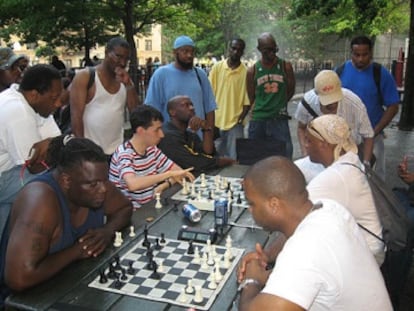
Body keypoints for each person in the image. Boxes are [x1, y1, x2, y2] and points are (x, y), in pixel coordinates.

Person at [237, 156, 392, 311]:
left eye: (252, 203)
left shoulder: (306, 248)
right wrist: (266, 274)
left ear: (274, 204)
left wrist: (251, 280)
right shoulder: (329, 208)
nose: (250, 210)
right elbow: (311, 276)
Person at [0, 135, 132, 307]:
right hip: (25, 303)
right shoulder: (40, 200)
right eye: (93, 184)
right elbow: (19, 278)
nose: (103, 189)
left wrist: (107, 231)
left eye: (105, 181)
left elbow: (124, 208)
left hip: (73, 288)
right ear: (66, 181)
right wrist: (78, 250)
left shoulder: (95, 183)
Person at [304, 114, 384, 264]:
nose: (305, 145)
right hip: (366, 246)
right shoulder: (350, 158)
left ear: (324, 144)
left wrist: (268, 254)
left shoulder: (336, 176)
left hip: (366, 256)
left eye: (309, 140)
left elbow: (296, 215)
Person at [0, 64, 63, 239]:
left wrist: (51, 143)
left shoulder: (35, 103)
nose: (58, 103)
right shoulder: (18, 112)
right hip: (5, 176)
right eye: (54, 98)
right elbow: (35, 166)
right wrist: (54, 147)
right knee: (56, 182)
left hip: (9, 171)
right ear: (35, 95)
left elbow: (59, 142)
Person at [337, 35, 400, 180]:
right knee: (346, 178)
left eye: (364, 55)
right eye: (356, 54)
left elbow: (393, 106)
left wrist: (374, 131)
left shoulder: (381, 73)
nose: (360, 59)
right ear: (351, 53)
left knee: (375, 179)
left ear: (371, 53)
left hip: (374, 137)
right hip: (345, 139)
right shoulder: (339, 72)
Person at [109, 105, 195, 210]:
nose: (162, 135)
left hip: (149, 208)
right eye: (157, 130)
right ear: (140, 130)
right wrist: (168, 175)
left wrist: (165, 184)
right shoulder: (124, 154)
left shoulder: (152, 150)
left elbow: (179, 172)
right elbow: (133, 184)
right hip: (129, 215)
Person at [70, 36, 139, 158]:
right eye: (118, 56)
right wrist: (83, 152)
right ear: (107, 52)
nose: (122, 63)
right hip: (90, 152)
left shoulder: (125, 81)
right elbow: (76, 118)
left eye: (126, 59)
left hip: (116, 153)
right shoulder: (85, 76)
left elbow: (136, 113)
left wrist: (128, 85)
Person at [145, 35, 216, 151]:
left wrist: (209, 135)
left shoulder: (200, 75)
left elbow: (210, 108)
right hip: (171, 142)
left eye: (192, 51)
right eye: (185, 51)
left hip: (199, 141)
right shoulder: (161, 75)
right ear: (175, 52)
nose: (189, 55)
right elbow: (151, 111)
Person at [296, 70, 374, 164]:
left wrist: (366, 163)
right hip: (320, 155)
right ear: (317, 94)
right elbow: (301, 127)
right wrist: (306, 153)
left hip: (349, 153)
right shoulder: (307, 104)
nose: (332, 104)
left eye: (334, 99)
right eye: (327, 101)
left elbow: (368, 135)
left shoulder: (354, 104)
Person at [246, 32, 296, 159]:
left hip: (278, 118)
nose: (272, 54)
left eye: (274, 50)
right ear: (259, 50)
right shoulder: (253, 71)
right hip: (259, 120)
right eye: (267, 51)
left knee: (285, 155)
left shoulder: (285, 66)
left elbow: (290, 91)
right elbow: (252, 96)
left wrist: (279, 104)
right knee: (254, 158)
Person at [158, 95, 236, 174]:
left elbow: (208, 153)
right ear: (172, 112)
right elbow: (194, 163)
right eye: (185, 105)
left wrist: (206, 129)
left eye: (192, 105)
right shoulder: (168, 135)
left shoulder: (189, 134)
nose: (192, 108)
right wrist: (224, 161)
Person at [208, 38, 250, 160]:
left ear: (243, 52)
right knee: (215, 159)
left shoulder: (246, 73)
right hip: (216, 122)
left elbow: (247, 101)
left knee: (236, 159)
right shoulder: (217, 68)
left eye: (239, 49)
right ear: (229, 49)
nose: (236, 52)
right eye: (233, 48)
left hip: (235, 124)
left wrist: (240, 119)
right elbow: (209, 95)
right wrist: (211, 120)